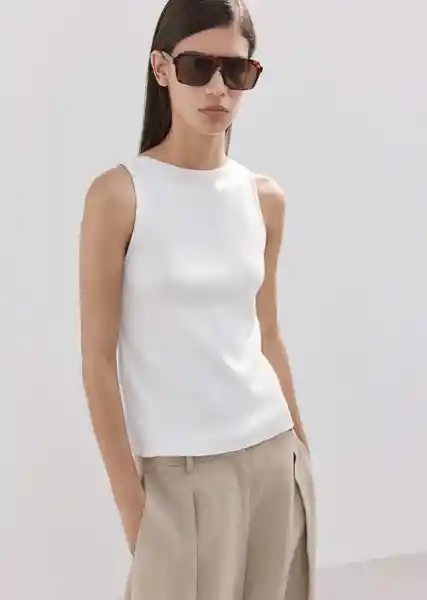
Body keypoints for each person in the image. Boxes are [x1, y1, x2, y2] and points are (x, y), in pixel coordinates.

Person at [79, 0, 316, 598]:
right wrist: (135, 512)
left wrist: (301, 450)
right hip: (178, 477)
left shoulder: (264, 198)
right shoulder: (119, 195)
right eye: (197, 67)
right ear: (161, 69)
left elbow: (267, 333)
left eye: (235, 70)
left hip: (273, 457)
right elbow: (97, 362)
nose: (217, 89)